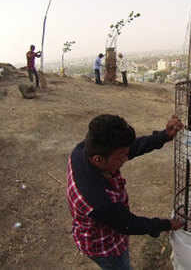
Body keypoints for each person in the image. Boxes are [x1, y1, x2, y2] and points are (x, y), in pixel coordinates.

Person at [66, 114, 184, 269]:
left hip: (109, 225)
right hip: (104, 247)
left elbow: (131, 148)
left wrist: (163, 136)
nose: (125, 159)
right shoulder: (98, 201)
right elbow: (128, 224)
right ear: (98, 159)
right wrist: (166, 224)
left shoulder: (83, 150)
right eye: (120, 157)